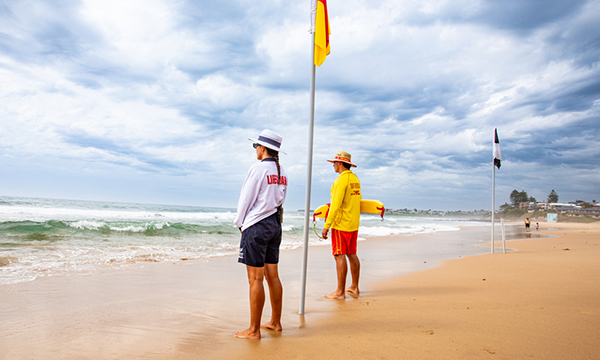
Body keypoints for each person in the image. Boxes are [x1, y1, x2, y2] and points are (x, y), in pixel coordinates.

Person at [233, 129, 288, 340]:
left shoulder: (257, 169)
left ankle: (254, 330)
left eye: (256, 146)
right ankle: (275, 322)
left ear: (263, 148)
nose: (255, 149)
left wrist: (240, 223)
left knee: (255, 279)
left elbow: (245, 199)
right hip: (274, 225)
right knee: (272, 276)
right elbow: (280, 200)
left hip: (256, 226)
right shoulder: (282, 171)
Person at [321, 151, 361, 299]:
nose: (333, 165)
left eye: (334, 163)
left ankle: (339, 292)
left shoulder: (340, 181)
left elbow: (335, 205)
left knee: (339, 255)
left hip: (341, 224)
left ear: (339, 163)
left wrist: (327, 225)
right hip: (353, 223)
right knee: (351, 254)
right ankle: (355, 287)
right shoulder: (355, 179)